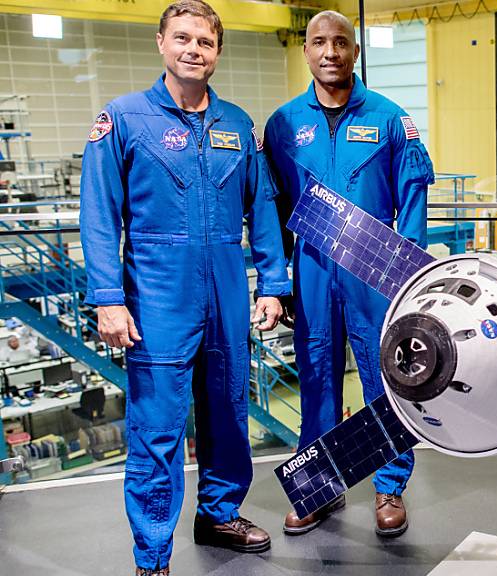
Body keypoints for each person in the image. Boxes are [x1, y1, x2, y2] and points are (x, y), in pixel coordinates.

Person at [79, 2, 290, 574]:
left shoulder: (238, 125)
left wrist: (272, 284)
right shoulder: (123, 119)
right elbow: (99, 215)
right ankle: (153, 554)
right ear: (161, 43)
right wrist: (108, 298)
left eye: (205, 41)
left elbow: (262, 209)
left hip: (227, 292)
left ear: (217, 52)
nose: (193, 49)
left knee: (229, 414)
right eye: (182, 38)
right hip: (156, 297)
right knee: (158, 428)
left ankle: (219, 514)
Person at [263, 10, 433, 538]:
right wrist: (278, 281)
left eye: (340, 42)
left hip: (376, 269)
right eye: (319, 42)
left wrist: (409, 273)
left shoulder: (390, 119)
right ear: (306, 50)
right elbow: (272, 207)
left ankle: (389, 487)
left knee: (388, 378)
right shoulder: (283, 124)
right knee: (316, 379)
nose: (330, 52)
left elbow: (413, 198)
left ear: (355, 51)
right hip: (312, 266)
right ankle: (318, 487)